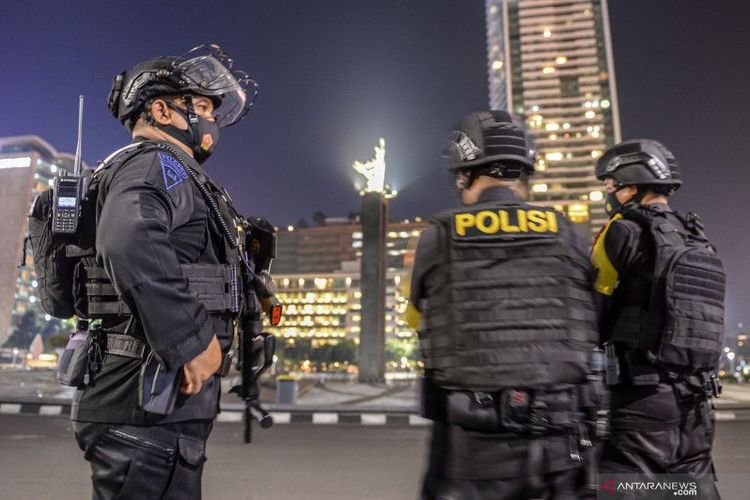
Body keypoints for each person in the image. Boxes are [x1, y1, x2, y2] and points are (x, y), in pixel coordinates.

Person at [70, 44, 260, 499]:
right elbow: (128, 238)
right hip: (146, 406)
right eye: (199, 106)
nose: (210, 119)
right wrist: (190, 340)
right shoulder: (160, 165)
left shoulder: (158, 169)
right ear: (160, 109)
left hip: (150, 405)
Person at [407, 110, 606, 499]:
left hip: (472, 453)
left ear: (464, 174)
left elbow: (416, 317)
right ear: (522, 172)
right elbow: (592, 318)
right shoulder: (571, 235)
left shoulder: (440, 236)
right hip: (561, 450)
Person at [591, 139, 725, 498]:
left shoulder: (622, 230)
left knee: (615, 486)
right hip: (696, 404)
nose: (609, 194)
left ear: (632, 185)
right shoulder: (697, 238)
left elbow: (592, 307)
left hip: (641, 402)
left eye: (612, 185)